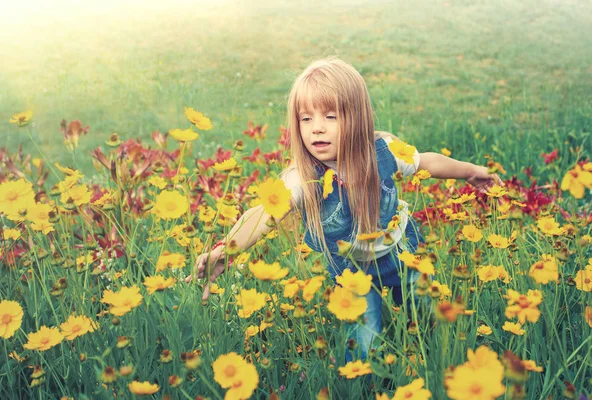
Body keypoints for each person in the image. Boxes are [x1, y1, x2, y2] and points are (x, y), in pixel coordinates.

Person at [188, 57, 501, 360]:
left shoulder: (384, 150)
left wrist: (471, 171)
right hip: (350, 270)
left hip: (402, 252)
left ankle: (427, 357)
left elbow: (426, 161)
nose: (317, 129)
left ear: (358, 117)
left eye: (330, 116)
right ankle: (363, 381)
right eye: (306, 118)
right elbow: (261, 215)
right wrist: (226, 250)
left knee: (423, 316)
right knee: (363, 343)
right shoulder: (303, 178)